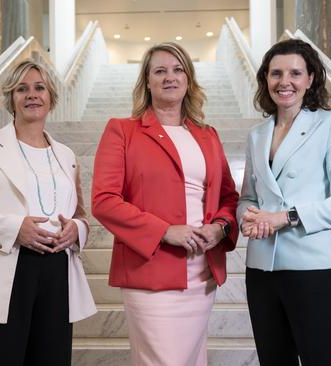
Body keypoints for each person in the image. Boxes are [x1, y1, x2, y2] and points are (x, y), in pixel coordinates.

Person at [91, 42, 239, 366]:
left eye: (177, 69)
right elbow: (104, 201)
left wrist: (220, 228)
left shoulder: (207, 134)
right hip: (151, 269)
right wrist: (164, 231)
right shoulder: (122, 131)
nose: (169, 77)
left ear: (188, 78)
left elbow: (229, 197)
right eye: (160, 71)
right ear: (147, 81)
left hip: (202, 272)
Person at [0, 59, 96, 366]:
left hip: (57, 274)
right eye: (21, 89)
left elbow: (80, 215)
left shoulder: (66, 155)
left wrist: (76, 231)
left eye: (39, 88)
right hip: (4, 267)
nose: (32, 95)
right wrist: (15, 229)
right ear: (11, 99)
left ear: (51, 97)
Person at [237, 39, 331, 366]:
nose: (285, 82)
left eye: (295, 73)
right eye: (276, 73)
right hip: (261, 271)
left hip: (313, 269)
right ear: (266, 79)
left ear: (310, 79)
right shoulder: (257, 134)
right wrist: (246, 216)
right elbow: (248, 196)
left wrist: (286, 217)